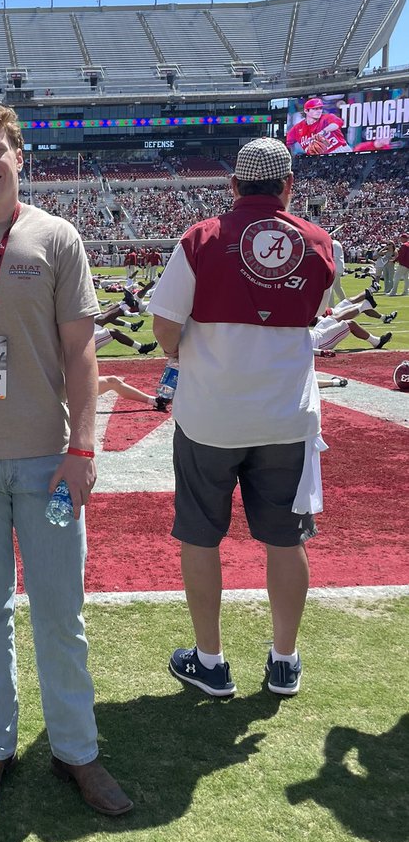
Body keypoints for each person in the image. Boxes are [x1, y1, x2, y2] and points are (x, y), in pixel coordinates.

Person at [0, 100, 133, 817]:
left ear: (18, 156)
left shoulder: (56, 237)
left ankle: (78, 751)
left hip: (49, 462)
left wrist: (84, 446)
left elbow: (80, 351)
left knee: (62, 613)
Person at [149, 137, 334, 699]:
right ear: (289, 185)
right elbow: (316, 313)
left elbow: (164, 325)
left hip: (210, 417)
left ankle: (211, 661)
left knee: (202, 537)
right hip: (287, 417)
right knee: (285, 539)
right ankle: (284, 660)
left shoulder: (201, 238)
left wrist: (188, 357)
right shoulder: (320, 242)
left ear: (233, 185)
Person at [285, 97, 350, 155]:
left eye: (320, 108)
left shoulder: (327, 117)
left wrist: (323, 131)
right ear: (306, 111)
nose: (319, 111)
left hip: (340, 151)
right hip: (317, 159)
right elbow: (286, 142)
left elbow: (337, 123)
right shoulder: (297, 128)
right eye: (315, 109)